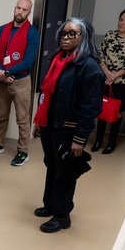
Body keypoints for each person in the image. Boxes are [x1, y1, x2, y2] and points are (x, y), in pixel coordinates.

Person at [32, 17, 103, 233]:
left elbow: (90, 108)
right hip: (49, 124)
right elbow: (46, 95)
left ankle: (62, 215)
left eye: (72, 34)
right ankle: (50, 205)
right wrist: (39, 121)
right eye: (63, 33)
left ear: (84, 37)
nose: (66, 37)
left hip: (69, 128)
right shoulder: (58, 60)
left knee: (65, 171)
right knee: (52, 165)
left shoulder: (89, 67)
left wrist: (79, 139)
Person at [0, 0, 41, 167]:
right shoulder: (2, 30)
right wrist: (1, 73)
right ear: (14, 8)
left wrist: (7, 72)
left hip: (21, 82)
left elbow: (28, 62)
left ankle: (23, 151)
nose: (20, 12)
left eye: (24, 9)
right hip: (2, 80)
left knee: (22, 118)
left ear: (29, 12)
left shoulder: (32, 33)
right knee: (1, 115)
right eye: (18, 8)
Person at [94, 7, 125, 154]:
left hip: (122, 83)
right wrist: (107, 73)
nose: (122, 23)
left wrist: (114, 76)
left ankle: (112, 142)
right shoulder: (110, 35)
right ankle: (98, 140)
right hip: (105, 79)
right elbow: (99, 54)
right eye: (121, 20)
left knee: (116, 112)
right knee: (101, 108)